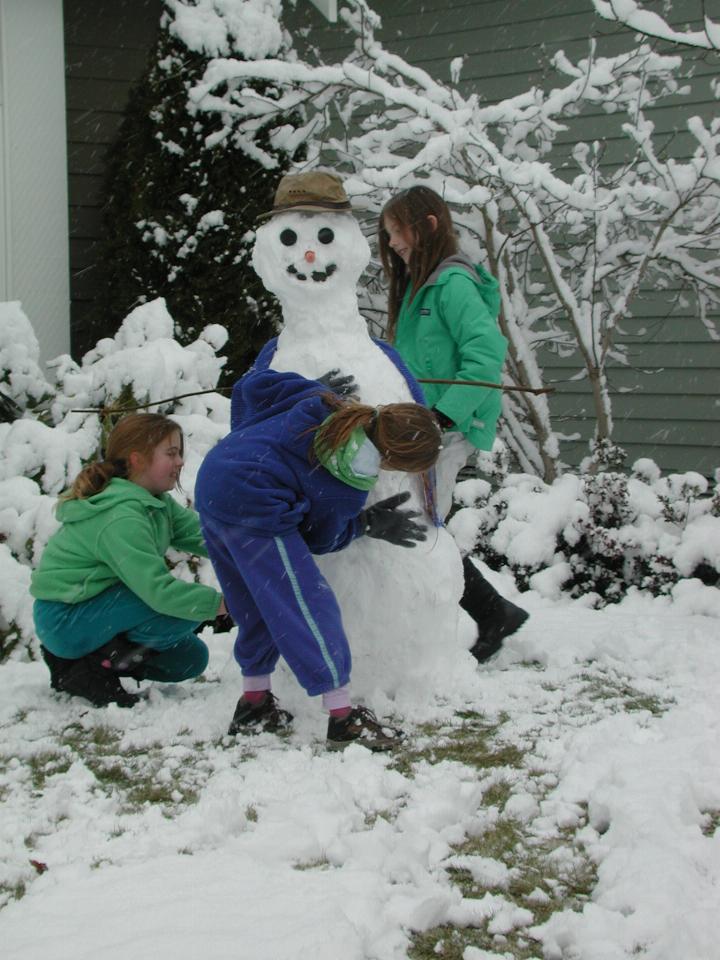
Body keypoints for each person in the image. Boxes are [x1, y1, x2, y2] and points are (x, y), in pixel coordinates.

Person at [195, 366, 441, 752]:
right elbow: (320, 540)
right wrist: (366, 524)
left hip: (213, 484)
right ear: (395, 461)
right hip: (254, 507)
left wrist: (303, 394)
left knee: (258, 605)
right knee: (306, 603)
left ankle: (254, 703)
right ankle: (343, 719)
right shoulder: (348, 477)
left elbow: (250, 385)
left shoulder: (318, 402)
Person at [379, 184, 529, 662]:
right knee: (420, 525)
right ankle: (493, 612)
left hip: (447, 429)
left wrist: (443, 417)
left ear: (428, 226)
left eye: (397, 232)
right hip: (423, 431)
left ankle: (458, 626)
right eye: (387, 235)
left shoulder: (452, 283)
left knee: (421, 528)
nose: (392, 244)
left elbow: (486, 355)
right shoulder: (421, 287)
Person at [31, 413, 226, 708]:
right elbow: (158, 592)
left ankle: (102, 663)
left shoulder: (156, 502)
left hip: (102, 609)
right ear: (137, 460)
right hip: (65, 618)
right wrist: (227, 604)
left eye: (180, 453)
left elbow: (206, 537)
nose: (180, 462)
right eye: (171, 454)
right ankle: (82, 670)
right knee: (180, 610)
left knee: (190, 659)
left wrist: (256, 546)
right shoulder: (120, 516)